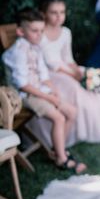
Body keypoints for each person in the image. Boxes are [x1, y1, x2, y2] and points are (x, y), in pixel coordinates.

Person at [2, 9, 86, 173]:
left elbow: (43, 74)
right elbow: (23, 84)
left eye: (41, 31)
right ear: (21, 31)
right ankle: (62, 159)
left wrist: (53, 92)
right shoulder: (17, 52)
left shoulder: (36, 47)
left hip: (41, 90)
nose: (39, 35)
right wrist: (48, 97)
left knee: (72, 112)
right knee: (59, 118)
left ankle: (57, 149)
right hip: (24, 96)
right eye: (34, 31)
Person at [39, 0, 100, 143]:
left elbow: (67, 58)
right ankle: (75, 132)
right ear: (44, 14)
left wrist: (80, 72)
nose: (58, 16)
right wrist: (73, 74)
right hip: (49, 74)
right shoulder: (39, 33)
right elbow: (51, 63)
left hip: (65, 68)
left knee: (95, 78)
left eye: (62, 12)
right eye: (53, 12)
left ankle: (97, 129)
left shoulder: (65, 32)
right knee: (74, 87)